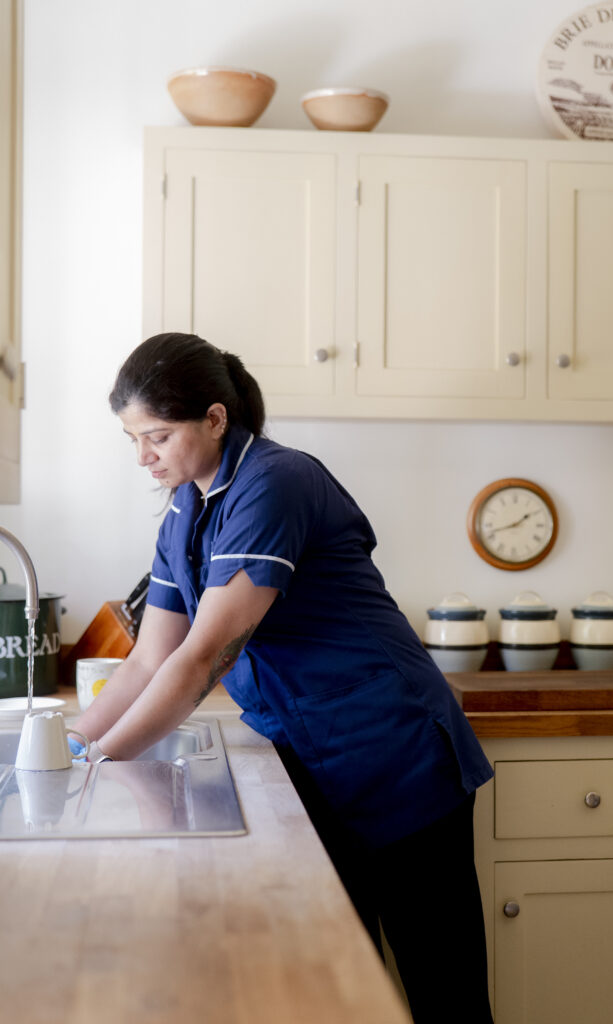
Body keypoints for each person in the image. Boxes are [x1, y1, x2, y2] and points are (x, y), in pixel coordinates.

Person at [73, 332, 495, 1024]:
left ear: (214, 418)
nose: (143, 456)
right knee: (344, 986)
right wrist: (67, 750)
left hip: (392, 750)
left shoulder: (276, 482)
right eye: (133, 440)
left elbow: (203, 658)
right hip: (312, 754)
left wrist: (99, 759)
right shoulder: (184, 504)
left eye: (157, 435)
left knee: (441, 991)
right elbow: (148, 660)